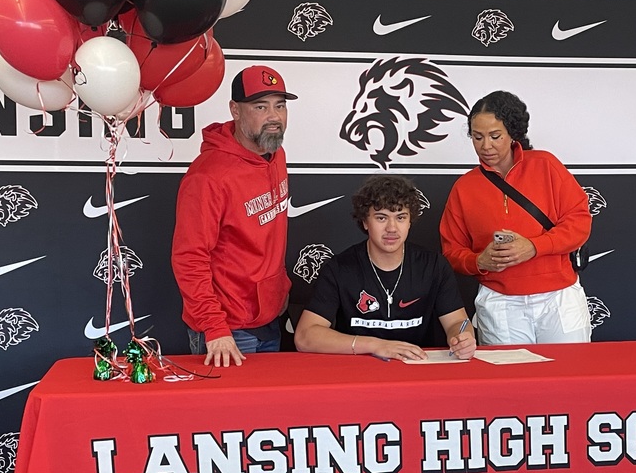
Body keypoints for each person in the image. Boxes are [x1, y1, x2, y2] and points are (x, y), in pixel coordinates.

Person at [439, 90, 592, 344]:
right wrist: (480, 261)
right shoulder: (464, 187)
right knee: (509, 383)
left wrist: (534, 247)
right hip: (500, 303)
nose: (485, 146)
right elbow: (452, 252)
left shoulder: (546, 165)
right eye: (477, 137)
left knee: (570, 378)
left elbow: (579, 222)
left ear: (513, 134)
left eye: (495, 136)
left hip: (559, 299)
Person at [171, 65, 296, 367]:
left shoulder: (275, 153)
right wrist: (214, 327)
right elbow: (189, 258)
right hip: (228, 331)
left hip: (270, 319)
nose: (274, 118)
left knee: (269, 413)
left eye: (280, 106)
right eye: (260, 106)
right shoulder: (209, 176)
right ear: (235, 110)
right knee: (227, 415)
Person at [295, 175, 476, 361]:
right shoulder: (340, 268)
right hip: (359, 371)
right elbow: (305, 336)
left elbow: (456, 322)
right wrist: (377, 345)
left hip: (417, 368)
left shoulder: (434, 265)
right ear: (365, 222)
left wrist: (462, 339)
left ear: (410, 221)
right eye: (381, 217)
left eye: (400, 217)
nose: (392, 228)